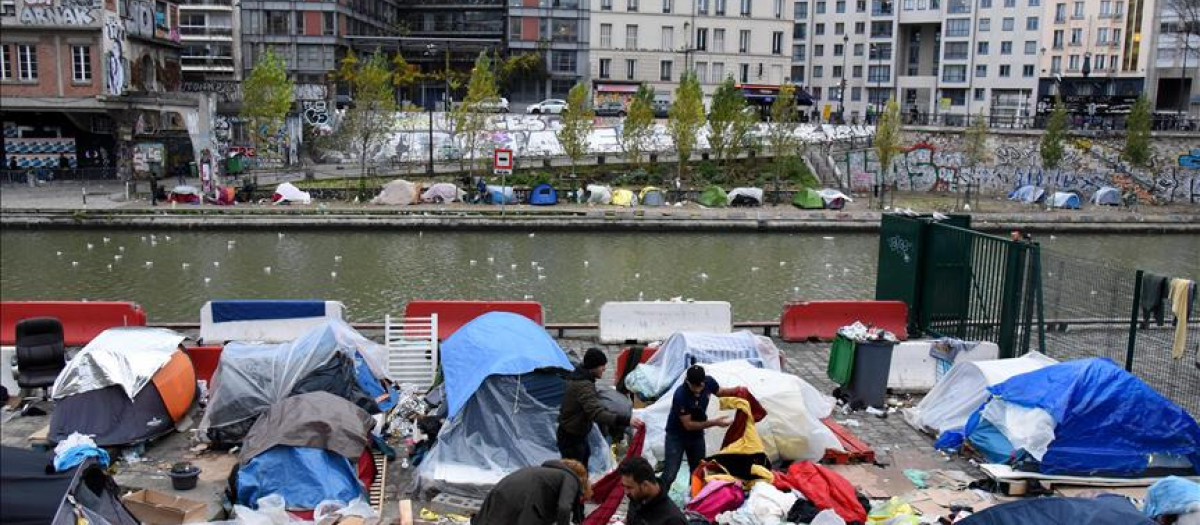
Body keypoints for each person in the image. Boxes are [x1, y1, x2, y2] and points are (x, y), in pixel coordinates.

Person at [557, 348, 641, 468]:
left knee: (581, 469)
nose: (604, 368)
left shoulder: (580, 379)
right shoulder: (584, 386)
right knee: (576, 474)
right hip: (572, 439)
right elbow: (596, 413)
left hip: (574, 435)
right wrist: (626, 420)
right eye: (602, 365)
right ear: (594, 367)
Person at [660, 365, 738, 491]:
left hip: (696, 436)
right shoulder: (681, 395)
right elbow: (688, 425)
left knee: (698, 471)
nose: (698, 390)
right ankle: (659, 499)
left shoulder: (708, 382)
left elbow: (720, 392)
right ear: (688, 382)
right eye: (694, 387)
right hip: (677, 436)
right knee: (670, 473)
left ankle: (693, 499)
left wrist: (738, 391)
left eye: (700, 386)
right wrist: (715, 422)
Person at [472, 459, 590, 525]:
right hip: (522, 502)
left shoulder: (543, 472)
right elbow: (564, 507)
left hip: (501, 491)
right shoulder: (570, 478)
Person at [620, 458, 687, 525]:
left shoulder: (672, 520)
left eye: (629, 487)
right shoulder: (637, 498)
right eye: (624, 486)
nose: (626, 492)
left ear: (645, 485)